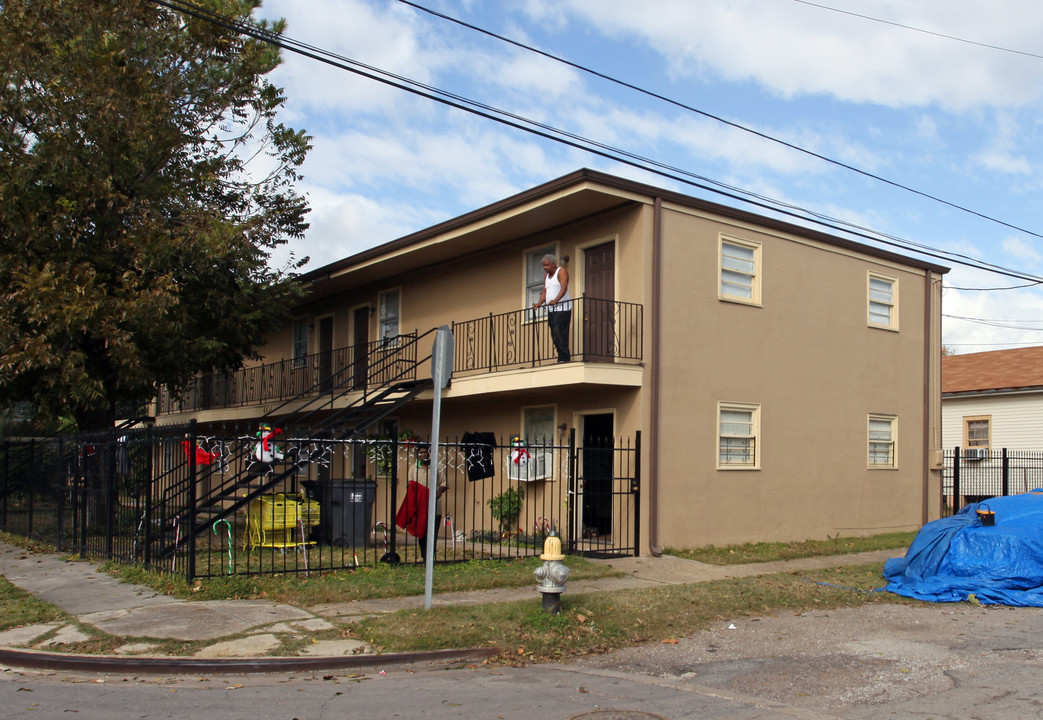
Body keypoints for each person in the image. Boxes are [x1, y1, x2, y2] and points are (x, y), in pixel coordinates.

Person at [411, 443, 447, 561]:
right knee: (422, 534)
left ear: (429, 453)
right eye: (420, 453)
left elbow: (444, 483)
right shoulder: (413, 468)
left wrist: (438, 492)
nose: (423, 455)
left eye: (425, 452)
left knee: (432, 534)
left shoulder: (438, 467)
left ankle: (430, 557)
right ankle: (424, 555)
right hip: (419, 507)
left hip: (434, 507)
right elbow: (410, 484)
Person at [532, 254, 572, 363]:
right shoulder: (546, 276)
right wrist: (539, 303)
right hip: (552, 310)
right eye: (543, 266)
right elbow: (545, 291)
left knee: (561, 333)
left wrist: (556, 300)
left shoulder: (561, 271)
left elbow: (564, 287)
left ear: (553, 264)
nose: (545, 267)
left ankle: (565, 358)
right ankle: (561, 357)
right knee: (554, 334)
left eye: (547, 265)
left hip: (563, 309)